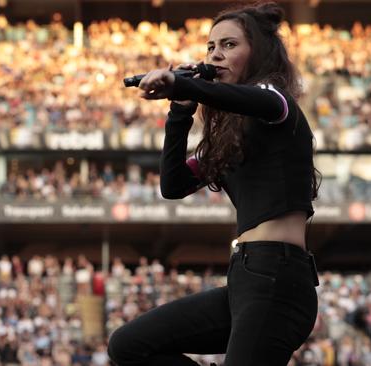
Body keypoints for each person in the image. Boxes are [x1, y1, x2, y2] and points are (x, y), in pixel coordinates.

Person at [107, 2, 321, 365]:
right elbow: (172, 185)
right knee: (128, 345)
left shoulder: (276, 103)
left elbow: (255, 99)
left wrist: (181, 82)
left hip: (279, 277)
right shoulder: (232, 138)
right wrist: (181, 108)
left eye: (229, 45)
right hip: (245, 277)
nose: (216, 55)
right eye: (210, 47)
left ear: (259, 52)